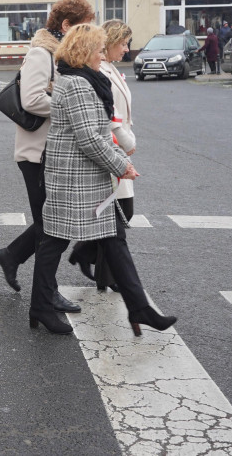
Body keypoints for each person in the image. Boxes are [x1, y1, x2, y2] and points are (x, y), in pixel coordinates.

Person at [29, 23, 175, 336]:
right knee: (55, 241)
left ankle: (139, 307)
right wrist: (122, 165)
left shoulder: (81, 79)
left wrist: (120, 162)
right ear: (84, 51)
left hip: (84, 178)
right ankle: (40, 305)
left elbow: (96, 133)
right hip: (74, 179)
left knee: (113, 238)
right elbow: (89, 138)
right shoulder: (79, 84)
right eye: (97, 49)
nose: (101, 55)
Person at [0, 0, 94, 315]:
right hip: (36, 154)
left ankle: (13, 258)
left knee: (50, 225)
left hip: (54, 153)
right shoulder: (41, 53)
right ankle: (45, 294)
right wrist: (70, 106)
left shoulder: (63, 56)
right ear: (66, 25)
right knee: (52, 228)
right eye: (83, 25)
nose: (88, 32)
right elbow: (33, 99)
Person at [68, 20, 136, 288]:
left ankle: (93, 263)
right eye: (123, 43)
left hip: (119, 146)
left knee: (116, 213)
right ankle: (90, 258)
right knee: (121, 212)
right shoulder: (102, 72)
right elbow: (109, 115)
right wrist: (126, 141)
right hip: (111, 146)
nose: (127, 49)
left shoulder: (112, 69)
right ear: (110, 43)